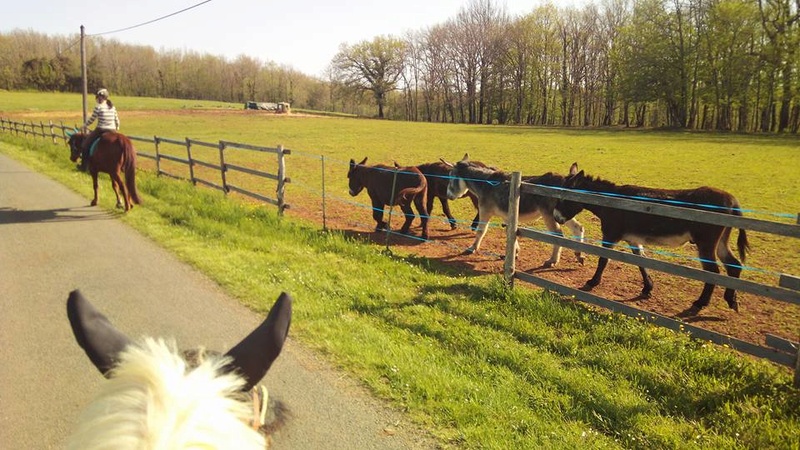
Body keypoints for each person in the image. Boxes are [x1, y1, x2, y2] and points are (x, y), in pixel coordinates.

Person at [79, 88, 120, 171]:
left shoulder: (98, 107)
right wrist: (117, 127)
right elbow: (117, 120)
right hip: (113, 130)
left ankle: (84, 167)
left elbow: (91, 119)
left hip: (101, 129)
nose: (97, 99)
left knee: (85, 145)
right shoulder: (112, 107)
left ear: (101, 97)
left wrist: (84, 126)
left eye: (97, 97)